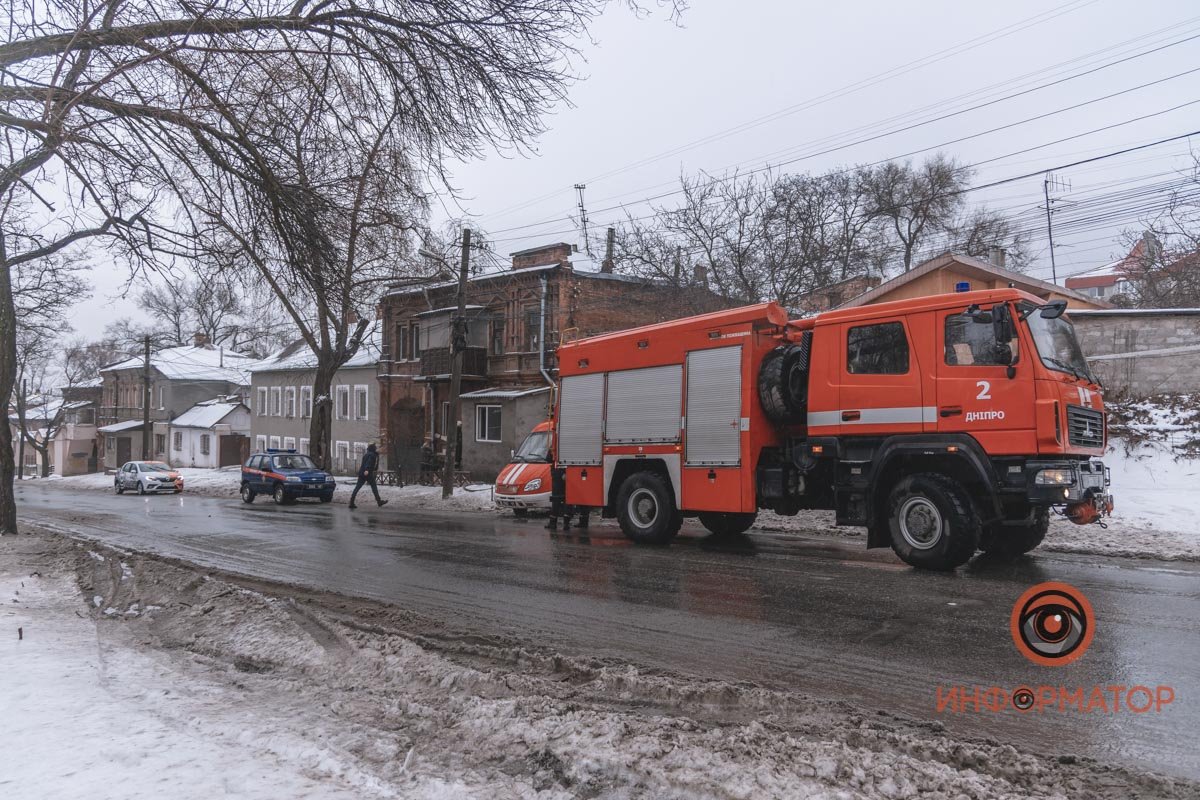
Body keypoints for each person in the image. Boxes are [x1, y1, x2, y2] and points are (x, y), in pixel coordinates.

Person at [349, 443, 389, 510]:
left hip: (362, 473)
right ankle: (379, 501)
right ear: (373, 449)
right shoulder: (372, 455)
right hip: (367, 473)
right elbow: (369, 462)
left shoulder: (366, 454)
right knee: (374, 487)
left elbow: (365, 463)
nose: (376, 449)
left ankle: (351, 502)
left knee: (357, 487)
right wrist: (367, 470)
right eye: (375, 448)